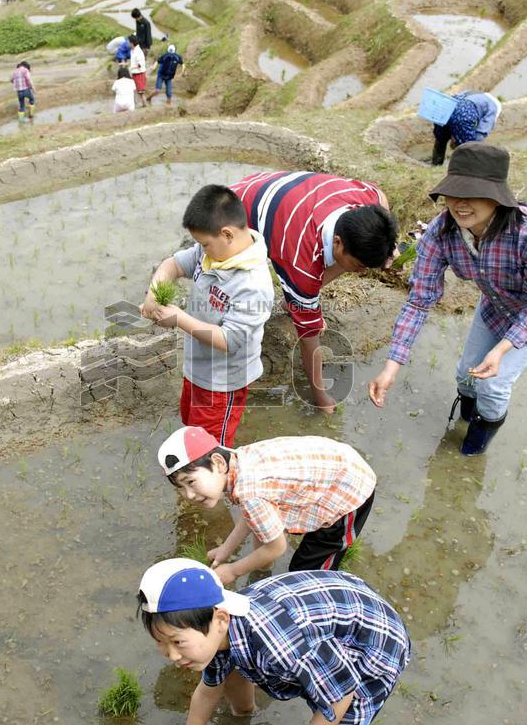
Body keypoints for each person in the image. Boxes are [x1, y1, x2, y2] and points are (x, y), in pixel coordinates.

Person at [138, 558, 411, 725]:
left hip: (374, 649)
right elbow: (208, 691)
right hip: (334, 613)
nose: (172, 655)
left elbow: (341, 696)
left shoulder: (280, 645)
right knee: (228, 665)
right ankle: (244, 712)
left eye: (178, 642)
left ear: (220, 619)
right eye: (160, 643)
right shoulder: (221, 626)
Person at [369, 142, 527, 455]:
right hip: (498, 298)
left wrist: (502, 348)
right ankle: (465, 420)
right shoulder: (441, 232)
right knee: (466, 375)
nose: (460, 204)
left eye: (472, 194)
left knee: (494, 384)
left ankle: (472, 450)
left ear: (497, 197)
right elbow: (419, 301)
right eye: (454, 193)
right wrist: (391, 367)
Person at [232, 171, 397, 413]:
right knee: (243, 290)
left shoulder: (364, 199)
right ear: (337, 242)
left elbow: (380, 196)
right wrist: (321, 397)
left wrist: (390, 248)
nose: (361, 273)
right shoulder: (303, 265)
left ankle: (296, 301)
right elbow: (309, 339)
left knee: (328, 277)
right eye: (360, 265)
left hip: (278, 191)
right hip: (235, 210)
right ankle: (296, 302)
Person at [139, 184, 274, 447]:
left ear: (227, 234)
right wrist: (154, 293)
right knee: (192, 429)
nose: (202, 249)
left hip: (222, 384)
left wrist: (179, 319)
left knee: (210, 451)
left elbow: (229, 340)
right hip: (197, 368)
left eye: (205, 244)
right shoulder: (211, 252)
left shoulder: (252, 285)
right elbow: (174, 264)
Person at [157, 425, 377, 580]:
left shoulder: (250, 491)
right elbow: (251, 515)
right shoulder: (238, 461)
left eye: (191, 482)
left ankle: (320, 604)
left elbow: (277, 547)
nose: (189, 495)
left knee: (306, 573)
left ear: (218, 462)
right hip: (333, 468)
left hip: (348, 491)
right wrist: (226, 549)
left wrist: (233, 570)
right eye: (181, 488)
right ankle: (264, 571)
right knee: (265, 531)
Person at [431, 91, 502, 165]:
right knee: (467, 147)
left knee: (441, 138)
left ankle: (436, 163)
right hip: (465, 112)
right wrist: (475, 146)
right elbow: (482, 131)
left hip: (445, 108)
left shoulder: (474, 94)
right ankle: (461, 167)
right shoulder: (494, 107)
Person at [128, 34, 147, 107]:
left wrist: (132, 68)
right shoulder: (132, 50)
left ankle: (145, 105)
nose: (128, 43)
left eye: (129, 42)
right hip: (134, 73)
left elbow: (140, 64)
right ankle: (134, 104)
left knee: (141, 91)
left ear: (132, 43)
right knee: (133, 90)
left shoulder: (138, 51)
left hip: (139, 74)